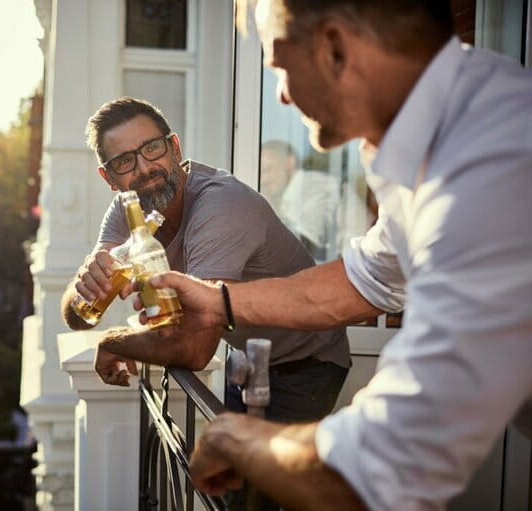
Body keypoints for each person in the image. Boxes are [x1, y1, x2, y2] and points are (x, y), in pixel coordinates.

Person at [126, 1, 532, 509]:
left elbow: (381, 469)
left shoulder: (488, 170)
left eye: (279, 65)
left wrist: (236, 438)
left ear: (335, 48)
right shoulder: (448, 126)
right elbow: (364, 281)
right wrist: (217, 301)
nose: (280, 94)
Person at [60, 97, 350, 429]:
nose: (144, 168)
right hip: (245, 356)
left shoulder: (221, 206)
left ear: (175, 148)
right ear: (109, 177)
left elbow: (195, 350)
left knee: (262, 476)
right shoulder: (129, 210)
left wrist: (116, 341)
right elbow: (79, 316)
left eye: (152, 148)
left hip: (305, 360)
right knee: (231, 469)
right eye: (125, 161)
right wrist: (85, 281)